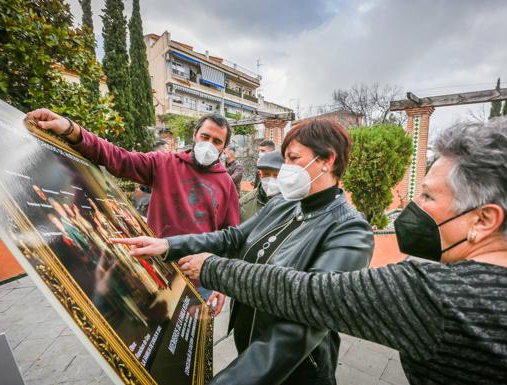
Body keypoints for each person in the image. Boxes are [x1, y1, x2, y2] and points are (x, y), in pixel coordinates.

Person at [173, 116, 507, 385]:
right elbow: (238, 240)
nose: (416, 208)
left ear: (484, 219)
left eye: (429, 196)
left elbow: (306, 297)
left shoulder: (431, 294)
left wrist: (211, 268)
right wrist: (177, 247)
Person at [112, 119, 374, 385]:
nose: (285, 170)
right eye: (285, 159)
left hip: (297, 370)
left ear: (327, 160)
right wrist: (169, 245)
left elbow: (300, 328)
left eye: (293, 158)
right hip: (248, 344)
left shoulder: (350, 231)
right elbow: (233, 236)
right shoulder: (284, 204)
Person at [24, 108, 240, 308]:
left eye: (217, 141)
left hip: (199, 280)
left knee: (192, 343)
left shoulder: (226, 183)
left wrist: (221, 282)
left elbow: (230, 237)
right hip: (155, 272)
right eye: (205, 137)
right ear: (195, 135)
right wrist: (72, 129)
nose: (209, 144)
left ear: (223, 147)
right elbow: (119, 159)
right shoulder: (163, 163)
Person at [239, 151, 284, 222]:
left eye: (276, 175)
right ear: (260, 175)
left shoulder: (296, 201)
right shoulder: (244, 205)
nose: (271, 180)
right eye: (266, 175)